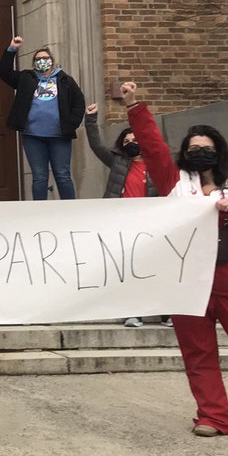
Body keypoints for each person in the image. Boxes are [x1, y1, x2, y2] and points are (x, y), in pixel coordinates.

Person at [122, 82, 228, 439]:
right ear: (184, 153)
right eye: (193, 148)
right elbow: (152, 147)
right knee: (198, 355)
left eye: (206, 148)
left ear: (219, 152)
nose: (199, 153)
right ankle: (214, 416)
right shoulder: (174, 182)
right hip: (186, 286)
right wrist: (134, 105)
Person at [84, 102, 168, 329]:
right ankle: (132, 313)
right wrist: (90, 120)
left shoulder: (158, 165)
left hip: (152, 224)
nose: (132, 144)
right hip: (122, 224)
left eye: (136, 140)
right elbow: (96, 145)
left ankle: (166, 313)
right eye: (127, 142)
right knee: (129, 269)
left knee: (156, 268)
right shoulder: (118, 162)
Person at [0, 36, 85, 201]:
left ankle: (71, 210)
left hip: (59, 136)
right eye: (38, 59)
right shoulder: (26, 78)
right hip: (33, 136)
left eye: (45, 58)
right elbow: (3, 72)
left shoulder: (65, 80)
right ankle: (39, 211)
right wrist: (12, 49)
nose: (42, 61)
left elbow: (79, 102)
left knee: (63, 174)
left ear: (52, 61)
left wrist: (72, 122)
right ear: (33, 63)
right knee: (39, 177)